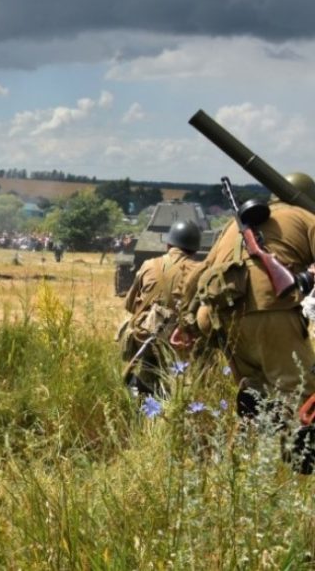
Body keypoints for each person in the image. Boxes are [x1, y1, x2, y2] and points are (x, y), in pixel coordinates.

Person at [182, 172, 315, 416]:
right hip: (269, 312)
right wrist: (306, 279)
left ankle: (252, 445)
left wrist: (186, 324)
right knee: (301, 397)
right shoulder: (305, 216)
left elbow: (197, 276)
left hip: (219, 319)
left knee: (255, 391)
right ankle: (299, 453)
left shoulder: (233, 225)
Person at [118, 221, 202, 395]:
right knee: (179, 385)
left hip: (147, 336)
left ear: (168, 244)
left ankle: (144, 405)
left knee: (148, 378)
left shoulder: (149, 265)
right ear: (195, 249)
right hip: (181, 341)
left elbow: (131, 305)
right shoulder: (200, 270)